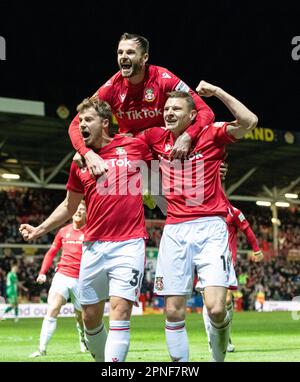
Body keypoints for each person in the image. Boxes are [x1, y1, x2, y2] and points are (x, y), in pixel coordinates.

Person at [20, 98, 153, 362]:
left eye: (88, 120)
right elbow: (70, 206)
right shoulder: (79, 163)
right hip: (93, 246)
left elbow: (168, 163)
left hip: (129, 243)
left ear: (105, 123)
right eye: (80, 121)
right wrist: (40, 230)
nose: (82, 125)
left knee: (120, 309)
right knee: (90, 319)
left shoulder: (134, 146)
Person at [139, 81, 258, 362]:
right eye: (166, 108)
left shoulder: (211, 134)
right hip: (175, 230)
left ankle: (217, 358)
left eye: (176, 108)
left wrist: (217, 92)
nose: (168, 112)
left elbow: (249, 121)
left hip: (211, 227)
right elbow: (119, 143)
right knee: (172, 310)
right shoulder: (154, 137)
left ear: (192, 116)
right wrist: (86, 152)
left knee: (217, 309)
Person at [68, 32, 214, 178]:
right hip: (132, 156)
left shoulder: (164, 79)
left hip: (168, 154)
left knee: (212, 168)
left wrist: (188, 136)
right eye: (120, 52)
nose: (123, 56)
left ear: (144, 58)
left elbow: (205, 111)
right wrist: (87, 152)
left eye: (130, 52)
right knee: (82, 164)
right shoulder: (110, 88)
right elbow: (75, 124)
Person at [202, 203, 263, 353]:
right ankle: (212, 340)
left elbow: (247, 230)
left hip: (226, 261)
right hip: (205, 258)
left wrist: (256, 250)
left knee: (227, 300)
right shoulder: (204, 210)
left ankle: (225, 337)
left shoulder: (234, 212)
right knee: (208, 299)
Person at [29, 201, 87, 358]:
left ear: (86, 213)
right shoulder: (63, 231)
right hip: (62, 275)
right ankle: (42, 349)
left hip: (81, 279)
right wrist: (43, 272)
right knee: (53, 307)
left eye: (82, 209)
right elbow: (52, 252)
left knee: (81, 316)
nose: (79, 211)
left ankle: (83, 338)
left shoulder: (90, 232)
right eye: (77, 209)